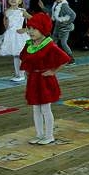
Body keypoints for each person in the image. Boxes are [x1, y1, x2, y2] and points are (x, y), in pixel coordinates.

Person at [21, 12, 71, 144]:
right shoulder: (30, 44)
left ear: (43, 29)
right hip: (33, 79)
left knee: (45, 108)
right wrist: (27, 71)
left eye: (34, 29)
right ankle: (39, 134)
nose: (31, 32)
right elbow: (25, 59)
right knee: (35, 108)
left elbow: (65, 58)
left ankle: (49, 136)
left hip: (44, 80)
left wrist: (53, 71)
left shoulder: (49, 45)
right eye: (29, 28)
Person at [0, 0, 30, 82]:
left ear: (20, 1)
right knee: (15, 56)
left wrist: (26, 29)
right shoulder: (6, 11)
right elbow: (6, 25)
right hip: (11, 35)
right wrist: (6, 25)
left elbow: (34, 20)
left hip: (19, 35)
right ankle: (18, 74)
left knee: (20, 55)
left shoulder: (22, 11)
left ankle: (21, 74)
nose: (13, 0)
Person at [50, 0, 76, 64]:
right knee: (53, 41)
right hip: (57, 26)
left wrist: (67, 22)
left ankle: (71, 58)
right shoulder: (55, 5)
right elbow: (52, 13)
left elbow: (73, 14)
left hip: (64, 27)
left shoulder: (64, 5)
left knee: (63, 42)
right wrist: (43, 8)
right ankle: (54, 57)